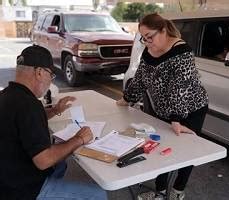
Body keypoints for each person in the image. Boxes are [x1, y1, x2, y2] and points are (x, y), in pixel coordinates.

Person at [116, 13, 209, 200]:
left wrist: (176, 119)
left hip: (190, 110)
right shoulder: (148, 50)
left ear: (163, 30)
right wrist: (126, 99)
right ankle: (159, 191)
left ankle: (177, 191)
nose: (146, 42)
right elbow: (140, 78)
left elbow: (180, 87)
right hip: (164, 110)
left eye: (149, 36)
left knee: (184, 152)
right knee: (159, 149)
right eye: (143, 38)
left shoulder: (181, 52)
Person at [0, 45, 107, 200]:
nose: (51, 81)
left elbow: (24, 121)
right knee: (98, 194)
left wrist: (55, 110)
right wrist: (79, 139)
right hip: (22, 190)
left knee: (60, 164)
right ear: (39, 72)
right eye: (51, 75)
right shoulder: (29, 105)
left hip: (8, 176)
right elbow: (44, 160)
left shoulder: (7, 95)